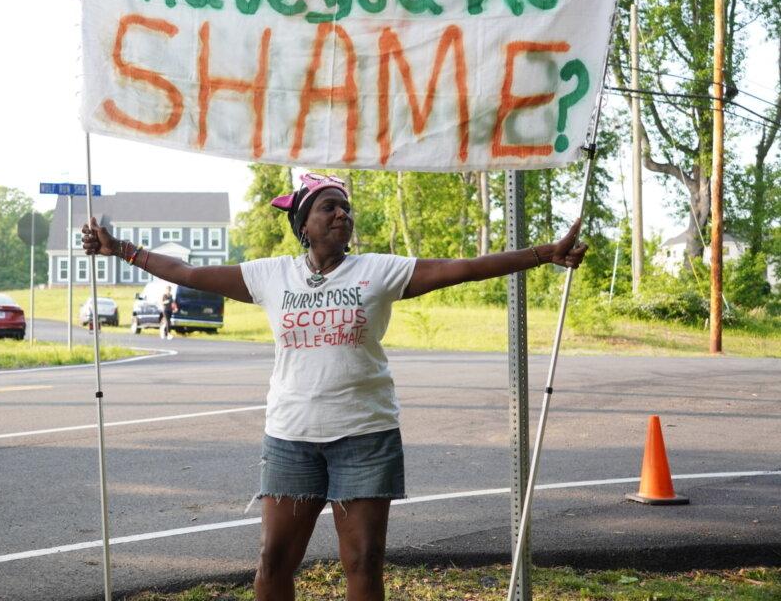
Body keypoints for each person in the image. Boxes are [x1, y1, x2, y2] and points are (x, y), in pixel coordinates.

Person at [82, 172, 586, 601]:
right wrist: (121, 249)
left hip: (365, 436)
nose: (342, 215)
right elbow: (188, 273)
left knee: (363, 562)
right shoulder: (272, 276)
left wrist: (543, 254)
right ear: (304, 224)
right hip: (291, 437)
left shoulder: (379, 271)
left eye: (346, 208)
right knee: (274, 560)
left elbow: (465, 270)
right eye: (329, 207)